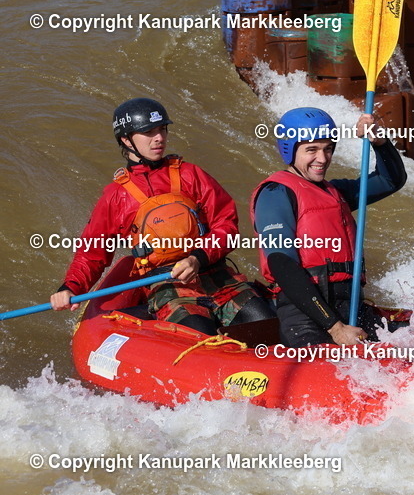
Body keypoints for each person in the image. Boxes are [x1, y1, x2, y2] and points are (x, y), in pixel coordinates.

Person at [50, 97, 273, 334]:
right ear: (126, 140)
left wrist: (198, 257)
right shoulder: (116, 196)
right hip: (166, 284)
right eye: (149, 132)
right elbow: (92, 252)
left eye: (162, 129)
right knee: (197, 331)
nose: (159, 138)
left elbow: (226, 225)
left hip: (215, 272)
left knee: (264, 321)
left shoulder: (191, 174)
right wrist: (70, 287)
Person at [250, 107, 407, 347]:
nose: (322, 159)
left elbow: (391, 180)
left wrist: (381, 143)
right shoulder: (275, 194)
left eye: (328, 149)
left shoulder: (335, 192)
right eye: (311, 150)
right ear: (289, 150)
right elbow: (282, 264)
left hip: (351, 308)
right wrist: (334, 327)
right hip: (306, 317)